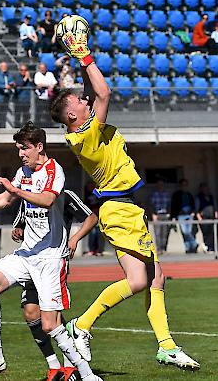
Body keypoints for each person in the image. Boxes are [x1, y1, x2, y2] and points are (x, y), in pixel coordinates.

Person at [49, 18, 199, 369]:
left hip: (127, 209)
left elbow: (97, 95)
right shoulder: (83, 135)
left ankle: (166, 345)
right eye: (79, 101)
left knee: (156, 276)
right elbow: (104, 93)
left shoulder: (85, 129)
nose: (86, 100)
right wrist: (83, 56)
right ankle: (80, 326)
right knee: (138, 280)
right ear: (73, 114)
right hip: (117, 210)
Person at [0, 123, 101, 380]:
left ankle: (86, 374)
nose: (20, 153)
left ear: (39, 147)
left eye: (24, 148)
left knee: (51, 324)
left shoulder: (54, 170)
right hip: (27, 254)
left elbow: (47, 199)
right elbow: (4, 200)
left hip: (50, 258)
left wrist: (16, 190)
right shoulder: (23, 172)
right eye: (18, 148)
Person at [12, 189, 98, 381]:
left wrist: (75, 238)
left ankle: (71, 366)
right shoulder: (26, 192)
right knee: (31, 312)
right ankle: (54, 366)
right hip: (32, 260)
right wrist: (18, 231)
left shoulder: (64, 194)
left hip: (53, 261)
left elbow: (91, 218)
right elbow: (20, 223)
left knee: (52, 316)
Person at [171, 179, 198, 253]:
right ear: (180, 186)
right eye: (182, 185)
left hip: (189, 214)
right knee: (185, 232)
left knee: (189, 231)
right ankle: (193, 244)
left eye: (185, 185)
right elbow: (173, 206)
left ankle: (189, 248)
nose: (184, 186)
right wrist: (173, 216)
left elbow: (193, 204)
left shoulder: (189, 194)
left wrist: (193, 212)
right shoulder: (176, 195)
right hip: (181, 215)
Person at [148, 178, 172, 255]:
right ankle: (159, 249)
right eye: (159, 184)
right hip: (157, 215)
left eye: (162, 184)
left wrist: (169, 213)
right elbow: (150, 205)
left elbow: (169, 204)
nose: (160, 186)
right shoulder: (154, 194)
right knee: (157, 233)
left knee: (165, 233)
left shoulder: (166, 194)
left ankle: (164, 249)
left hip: (165, 215)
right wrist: (153, 215)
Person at [196, 183, 218, 252]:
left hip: (212, 217)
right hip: (204, 217)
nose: (205, 190)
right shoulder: (198, 197)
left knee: (212, 232)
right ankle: (207, 246)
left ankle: (212, 247)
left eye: (206, 188)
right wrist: (199, 217)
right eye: (203, 188)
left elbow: (215, 206)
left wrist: (216, 214)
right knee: (206, 233)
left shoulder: (211, 196)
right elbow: (196, 208)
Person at [0, 62, 15, 128]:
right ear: (0, 67)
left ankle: (2, 127)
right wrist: (4, 86)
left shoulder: (9, 75)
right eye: (3, 66)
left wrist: (12, 84)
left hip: (6, 97)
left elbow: (11, 81)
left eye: (5, 66)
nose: (5, 68)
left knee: (3, 114)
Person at [84, 182, 104, 256]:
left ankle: (99, 250)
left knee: (99, 233)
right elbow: (86, 204)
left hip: (99, 215)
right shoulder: (87, 195)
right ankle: (92, 250)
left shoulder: (99, 194)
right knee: (92, 233)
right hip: (91, 215)